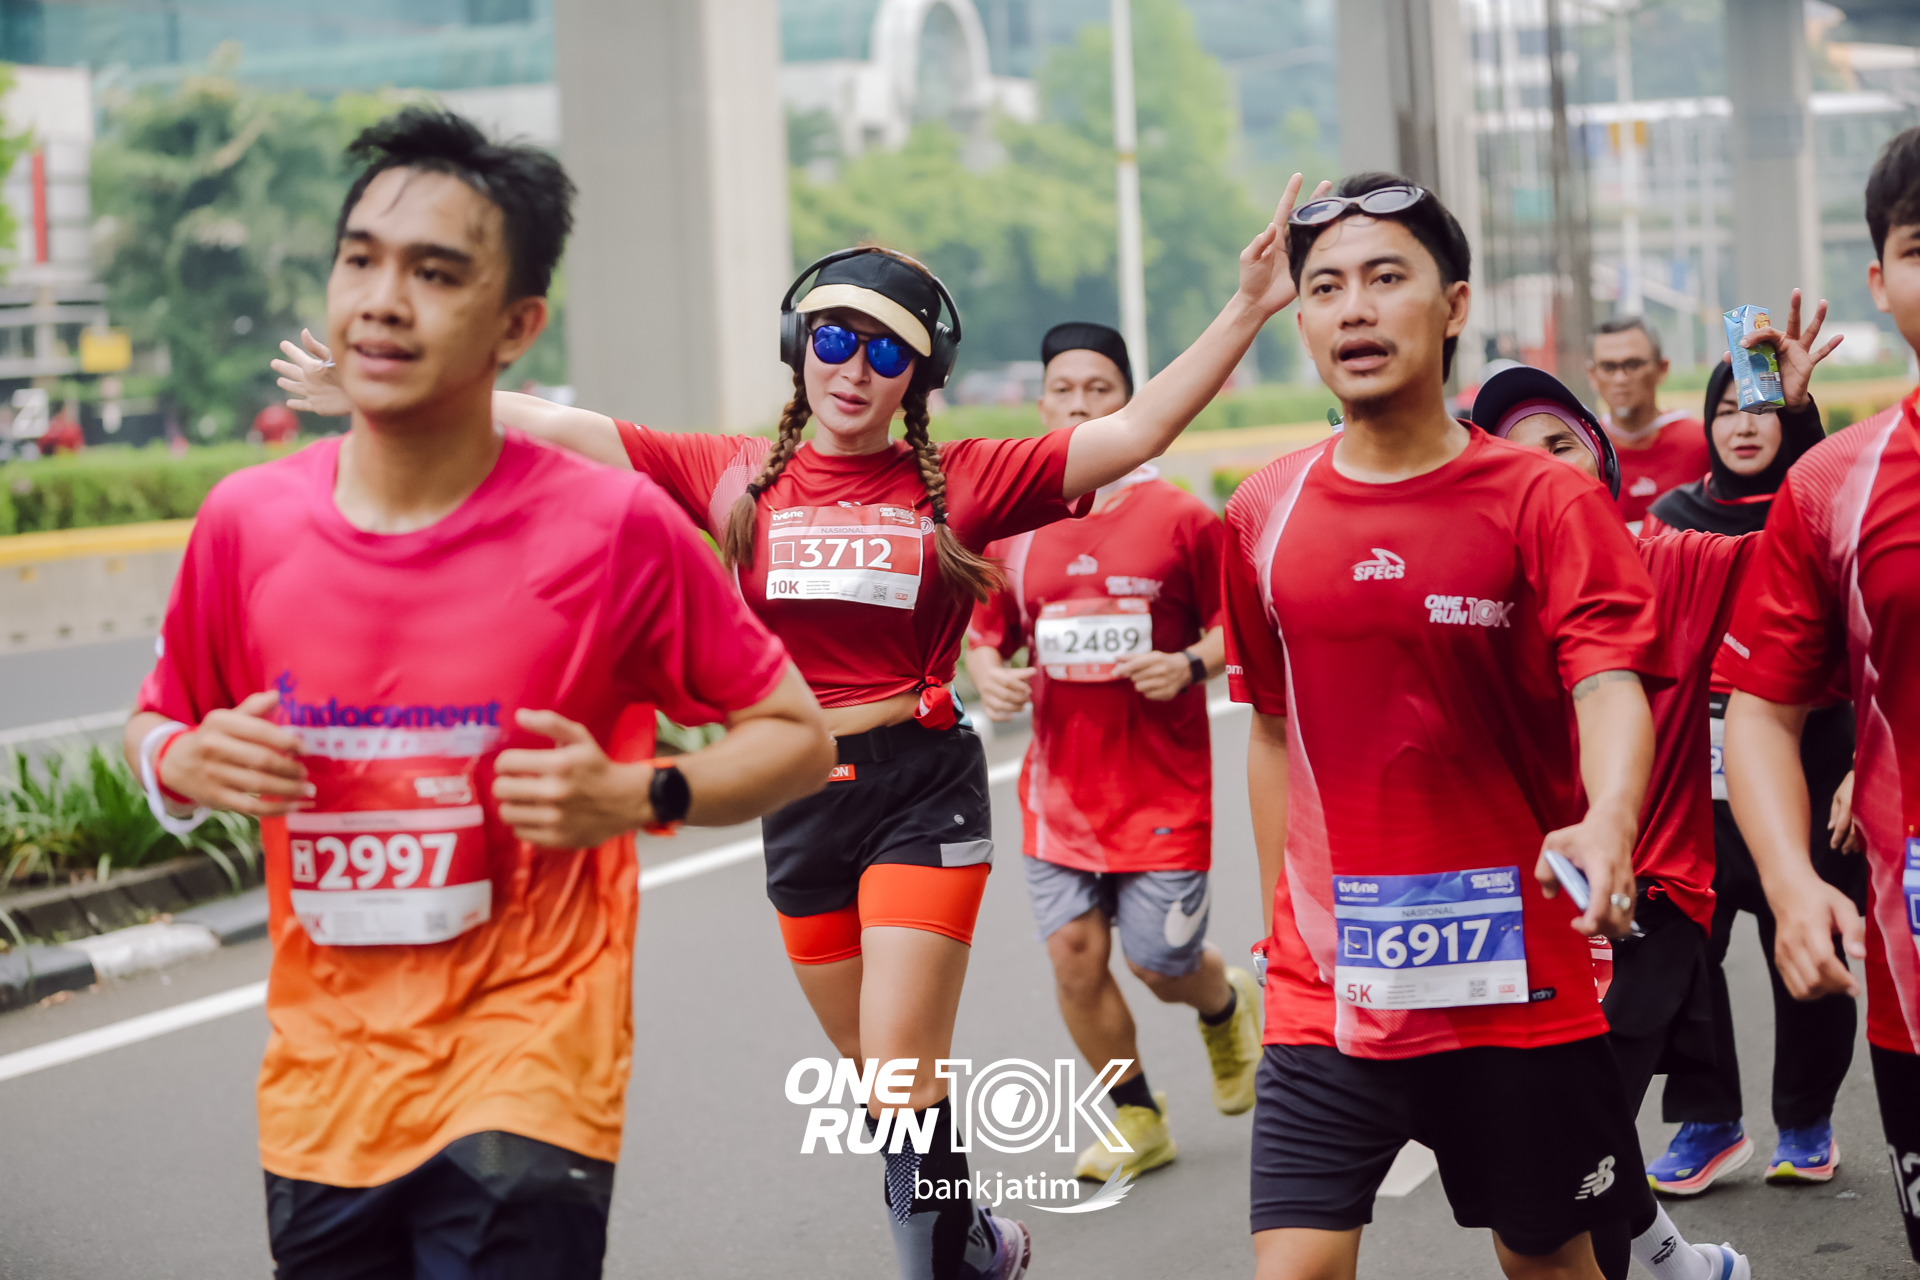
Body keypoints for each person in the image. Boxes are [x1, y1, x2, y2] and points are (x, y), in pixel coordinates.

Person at [276, 176, 1314, 1280]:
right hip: (800, 796)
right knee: (878, 1082)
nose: (854, 367)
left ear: (917, 376)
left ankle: (938, 1266)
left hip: (922, 789)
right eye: (833, 338)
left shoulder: (965, 481)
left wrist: (1250, 305)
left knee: (903, 1068)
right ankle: (971, 1240)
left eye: (886, 351)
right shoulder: (732, 477)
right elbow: (555, 425)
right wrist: (388, 389)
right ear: (798, 347)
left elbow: (1141, 426)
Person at [134, 108, 836, 1279]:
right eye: (361, 259)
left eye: (435, 271)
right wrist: (175, 760)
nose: (382, 300)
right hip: (323, 1093)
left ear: (517, 325)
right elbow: (157, 717)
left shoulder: (610, 530)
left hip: (530, 1072)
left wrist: (644, 791)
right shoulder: (247, 523)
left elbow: (797, 738)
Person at [1225, 171, 1674, 1280]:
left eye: (1388, 278)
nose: (1355, 309)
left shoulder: (1542, 499)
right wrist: (1283, 924)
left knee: (1547, 1263)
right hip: (1331, 982)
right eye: (1326, 287)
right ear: (1301, 318)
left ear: (1455, 304)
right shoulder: (1263, 510)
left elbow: (1608, 683)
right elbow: (1273, 727)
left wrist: (1610, 819)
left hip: (1515, 976)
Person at [1475, 364, 1758, 1280]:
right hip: (1519, 913)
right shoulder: (1479, 600)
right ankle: (1682, 1266)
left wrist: (1779, 415)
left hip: (1648, 902)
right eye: (1515, 456)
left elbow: (1800, 546)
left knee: (1567, 1162)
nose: (1543, 467)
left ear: (1599, 458)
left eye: (1561, 445)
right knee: (1574, 1132)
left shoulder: (1670, 560)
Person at [965, 320, 1261, 1184]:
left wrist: (1188, 663)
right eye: (1064, 390)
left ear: (1130, 402)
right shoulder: (1015, 529)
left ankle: (1222, 1000)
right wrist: (990, 675)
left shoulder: (1181, 520)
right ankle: (1136, 1118)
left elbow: (1236, 629)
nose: (1081, 405)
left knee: (1158, 962)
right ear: (1043, 403)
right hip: (1059, 795)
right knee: (1074, 957)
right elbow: (986, 635)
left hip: (1164, 790)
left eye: (1100, 389)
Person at [1717, 124, 1920, 1263]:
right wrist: (1793, 883)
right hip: (1911, 965)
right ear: (1880, 279)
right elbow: (1762, 706)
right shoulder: (1834, 486)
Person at [1638, 293, 1859, 1194]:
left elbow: (1868, 639)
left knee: (1804, 937)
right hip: (1696, 767)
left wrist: (1861, 766)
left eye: (1758, 411)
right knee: (1683, 949)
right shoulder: (1671, 515)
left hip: (1814, 754)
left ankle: (1805, 1119)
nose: (1741, 426)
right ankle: (1709, 1121)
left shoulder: (1821, 510)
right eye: (1726, 409)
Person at [1588, 317, 1708, 532]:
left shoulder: (1704, 442)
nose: (1620, 378)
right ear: (1592, 375)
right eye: (1608, 367)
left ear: (1662, 368)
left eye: (1633, 364)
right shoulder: (1582, 449)